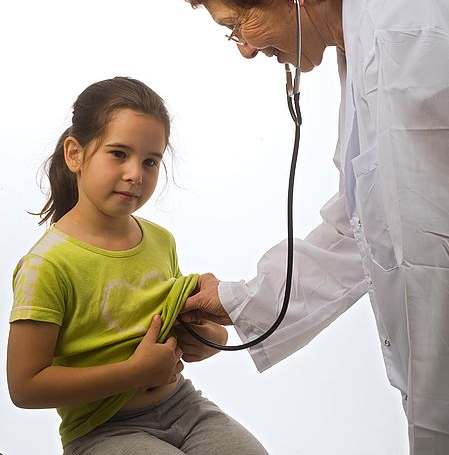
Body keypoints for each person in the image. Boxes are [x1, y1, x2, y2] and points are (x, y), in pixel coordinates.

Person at [178, 0, 449, 455]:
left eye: (237, 25)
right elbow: (365, 225)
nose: (246, 50)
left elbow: (438, 255)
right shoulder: (368, 36)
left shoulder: (410, 36)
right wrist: (234, 300)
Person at [6, 76, 269, 455]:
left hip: (184, 406)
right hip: (102, 431)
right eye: (118, 154)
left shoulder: (160, 240)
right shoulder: (46, 265)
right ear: (75, 154)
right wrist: (135, 373)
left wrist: (208, 339)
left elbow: (184, 329)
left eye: (150, 161)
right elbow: (25, 386)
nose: (136, 174)